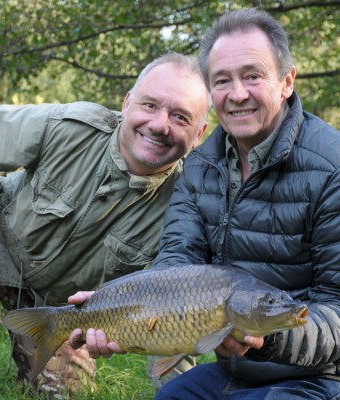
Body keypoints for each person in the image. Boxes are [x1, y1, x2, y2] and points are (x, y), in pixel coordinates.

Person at [71, 8, 340, 400]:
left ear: (286, 81)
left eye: (252, 75)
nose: (237, 93)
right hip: (236, 371)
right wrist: (118, 308)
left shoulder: (332, 167)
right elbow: (177, 265)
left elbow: (337, 307)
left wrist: (265, 337)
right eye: (222, 80)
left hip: (322, 375)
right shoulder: (199, 167)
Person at [0, 52, 209, 399]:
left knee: (67, 393)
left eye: (180, 117)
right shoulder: (69, 127)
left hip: (62, 307)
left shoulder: (186, 205)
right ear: (128, 103)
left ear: (199, 133)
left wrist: (184, 391)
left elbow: (175, 306)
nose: (160, 124)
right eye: (150, 105)